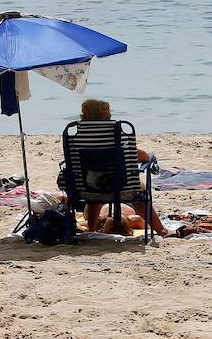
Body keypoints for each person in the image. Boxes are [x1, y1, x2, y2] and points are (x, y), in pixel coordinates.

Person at [76, 98, 181, 237]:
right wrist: (148, 158)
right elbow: (136, 155)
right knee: (138, 191)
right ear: (106, 116)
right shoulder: (115, 134)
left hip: (87, 188)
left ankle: (92, 228)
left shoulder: (77, 136)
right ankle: (161, 230)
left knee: (95, 184)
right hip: (122, 188)